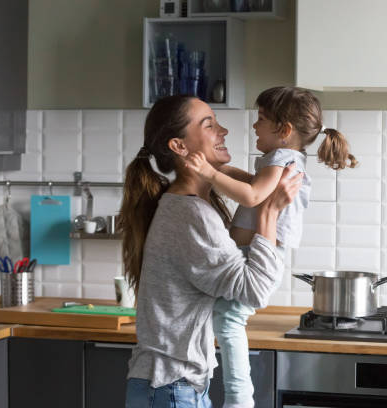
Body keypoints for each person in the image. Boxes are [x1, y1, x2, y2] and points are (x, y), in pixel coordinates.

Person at [119, 94, 303, 408]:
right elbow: (254, 290)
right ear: (179, 146)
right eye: (210, 125)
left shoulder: (190, 206)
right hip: (172, 389)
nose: (224, 131)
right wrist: (269, 212)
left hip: (173, 387)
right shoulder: (192, 214)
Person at [185, 86, 357, 408]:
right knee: (225, 317)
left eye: (261, 119)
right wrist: (218, 169)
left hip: (259, 256)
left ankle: (239, 398)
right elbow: (254, 185)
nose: (254, 125)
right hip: (252, 254)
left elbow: (252, 197)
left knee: (228, 320)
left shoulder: (282, 158)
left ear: (284, 130)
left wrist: (209, 171)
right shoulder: (283, 159)